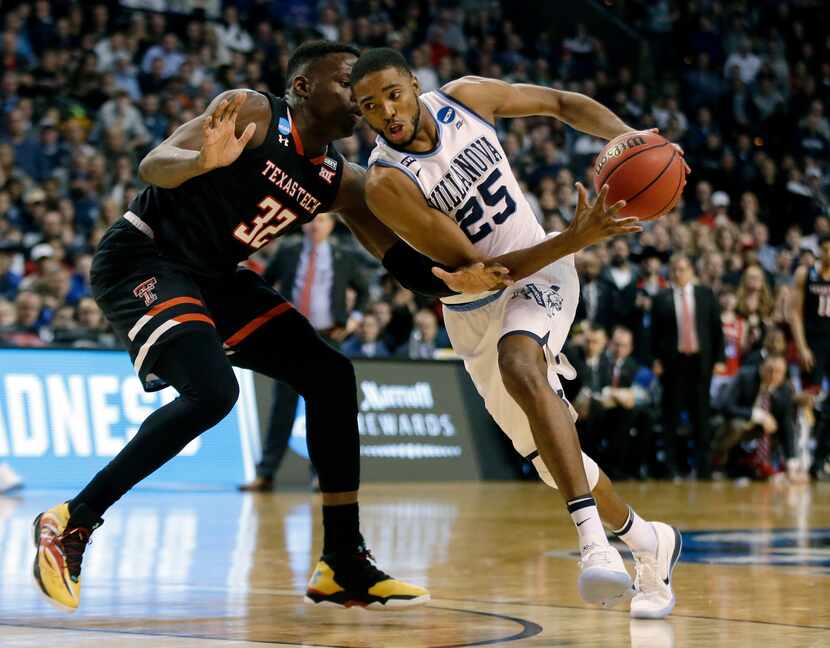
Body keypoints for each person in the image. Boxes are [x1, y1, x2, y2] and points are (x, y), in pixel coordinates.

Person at [30, 41, 620, 615]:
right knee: (213, 394)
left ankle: (342, 561)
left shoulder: (343, 180)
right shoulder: (254, 112)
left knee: (332, 375)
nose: (363, 95)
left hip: (216, 276)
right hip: (146, 257)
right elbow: (152, 164)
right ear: (304, 87)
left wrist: (454, 283)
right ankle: (72, 523)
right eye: (349, 84)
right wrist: (198, 162)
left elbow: (403, 265)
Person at [351, 47, 684, 618]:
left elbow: (561, 103)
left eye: (393, 93)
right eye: (370, 106)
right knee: (553, 460)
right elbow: (487, 272)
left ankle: (593, 547)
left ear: (413, 82)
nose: (386, 110)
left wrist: (633, 140)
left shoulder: (466, 99)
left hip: (548, 274)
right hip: (481, 303)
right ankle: (648, 541)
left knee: (521, 363)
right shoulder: (386, 183)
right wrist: (577, 236)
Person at [652, 254, 724, 479]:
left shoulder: (705, 294)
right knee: (670, 417)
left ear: (691, 270)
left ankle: (704, 469)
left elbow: (716, 330)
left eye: (682, 269)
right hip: (674, 364)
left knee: (701, 417)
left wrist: (720, 359)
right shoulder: (661, 297)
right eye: (674, 269)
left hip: (700, 362)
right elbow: (654, 334)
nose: (678, 273)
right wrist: (655, 360)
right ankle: (671, 468)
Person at [715, 354, 795, 479]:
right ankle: (717, 462)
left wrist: (792, 462)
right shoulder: (745, 376)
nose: (773, 375)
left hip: (758, 433)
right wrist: (756, 415)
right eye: (770, 370)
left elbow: (787, 427)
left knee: (778, 427)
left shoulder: (784, 390)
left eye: (778, 372)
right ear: (761, 367)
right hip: (730, 425)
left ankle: (762, 465)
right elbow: (725, 406)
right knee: (736, 426)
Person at [791, 234, 830, 480]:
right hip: (813, 345)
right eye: (825, 249)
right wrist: (802, 346)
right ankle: (801, 456)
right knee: (808, 401)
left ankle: (821, 459)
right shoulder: (805, 274)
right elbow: (795, 313)